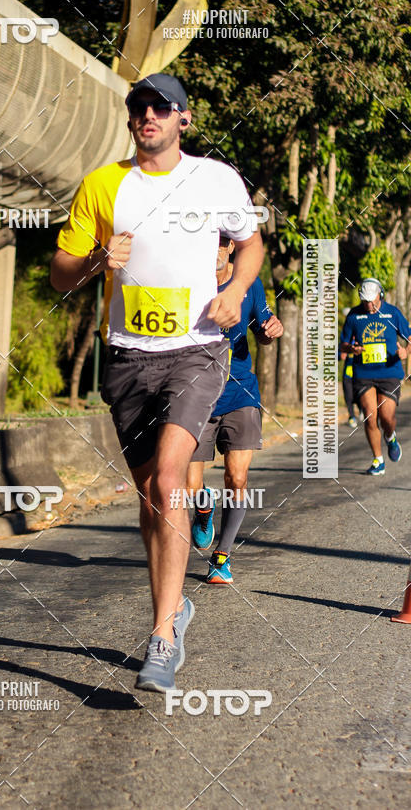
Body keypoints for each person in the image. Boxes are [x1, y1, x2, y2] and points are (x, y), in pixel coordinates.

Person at [50, 73, 264, 692]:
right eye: (140, 106)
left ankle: (162, 636)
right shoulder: (102, 186)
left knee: (171, 480)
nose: (149, 115)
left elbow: (250, 244)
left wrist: (237, 290)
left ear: (183, 120)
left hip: (197, 350)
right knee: (153, 496)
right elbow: (61, 276)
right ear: (131, 118)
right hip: (126, 359)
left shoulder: (217, 179)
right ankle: (175, 610)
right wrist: (96, 260)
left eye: (162, 107)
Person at [185, 236, 283, 584]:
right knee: (191, 482)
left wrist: (272, 330)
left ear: (229, 247)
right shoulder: (189, 282)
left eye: (220, 243)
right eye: (206, 242)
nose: (213, 250)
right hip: (197, 396)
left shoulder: (248, 285)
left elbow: (264, 329)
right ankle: (203, 507)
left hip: (241, 394)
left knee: (237, 478)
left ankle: (222, 557)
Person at [340, 277, 409, 475]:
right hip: (364, 374)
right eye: (365, 301)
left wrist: (405, 352)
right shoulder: (354, 316)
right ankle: (378, 460)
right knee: (370, 416)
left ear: (381, 295)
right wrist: (351, 348)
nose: (369, 305)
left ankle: (390, 436)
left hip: (390, 372)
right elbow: (343, 344)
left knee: (387, 417)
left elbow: (409, 337)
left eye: (373, 300)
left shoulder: (392, 313)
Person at [340, 308, 360, 428]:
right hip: (348, 373)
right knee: (348, 396)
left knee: (359, 395)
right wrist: (341, 354)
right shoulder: (345, 340)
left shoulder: (361, 338)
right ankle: (351, 416)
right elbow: (339, 352)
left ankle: (362, 410)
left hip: (360, 372)